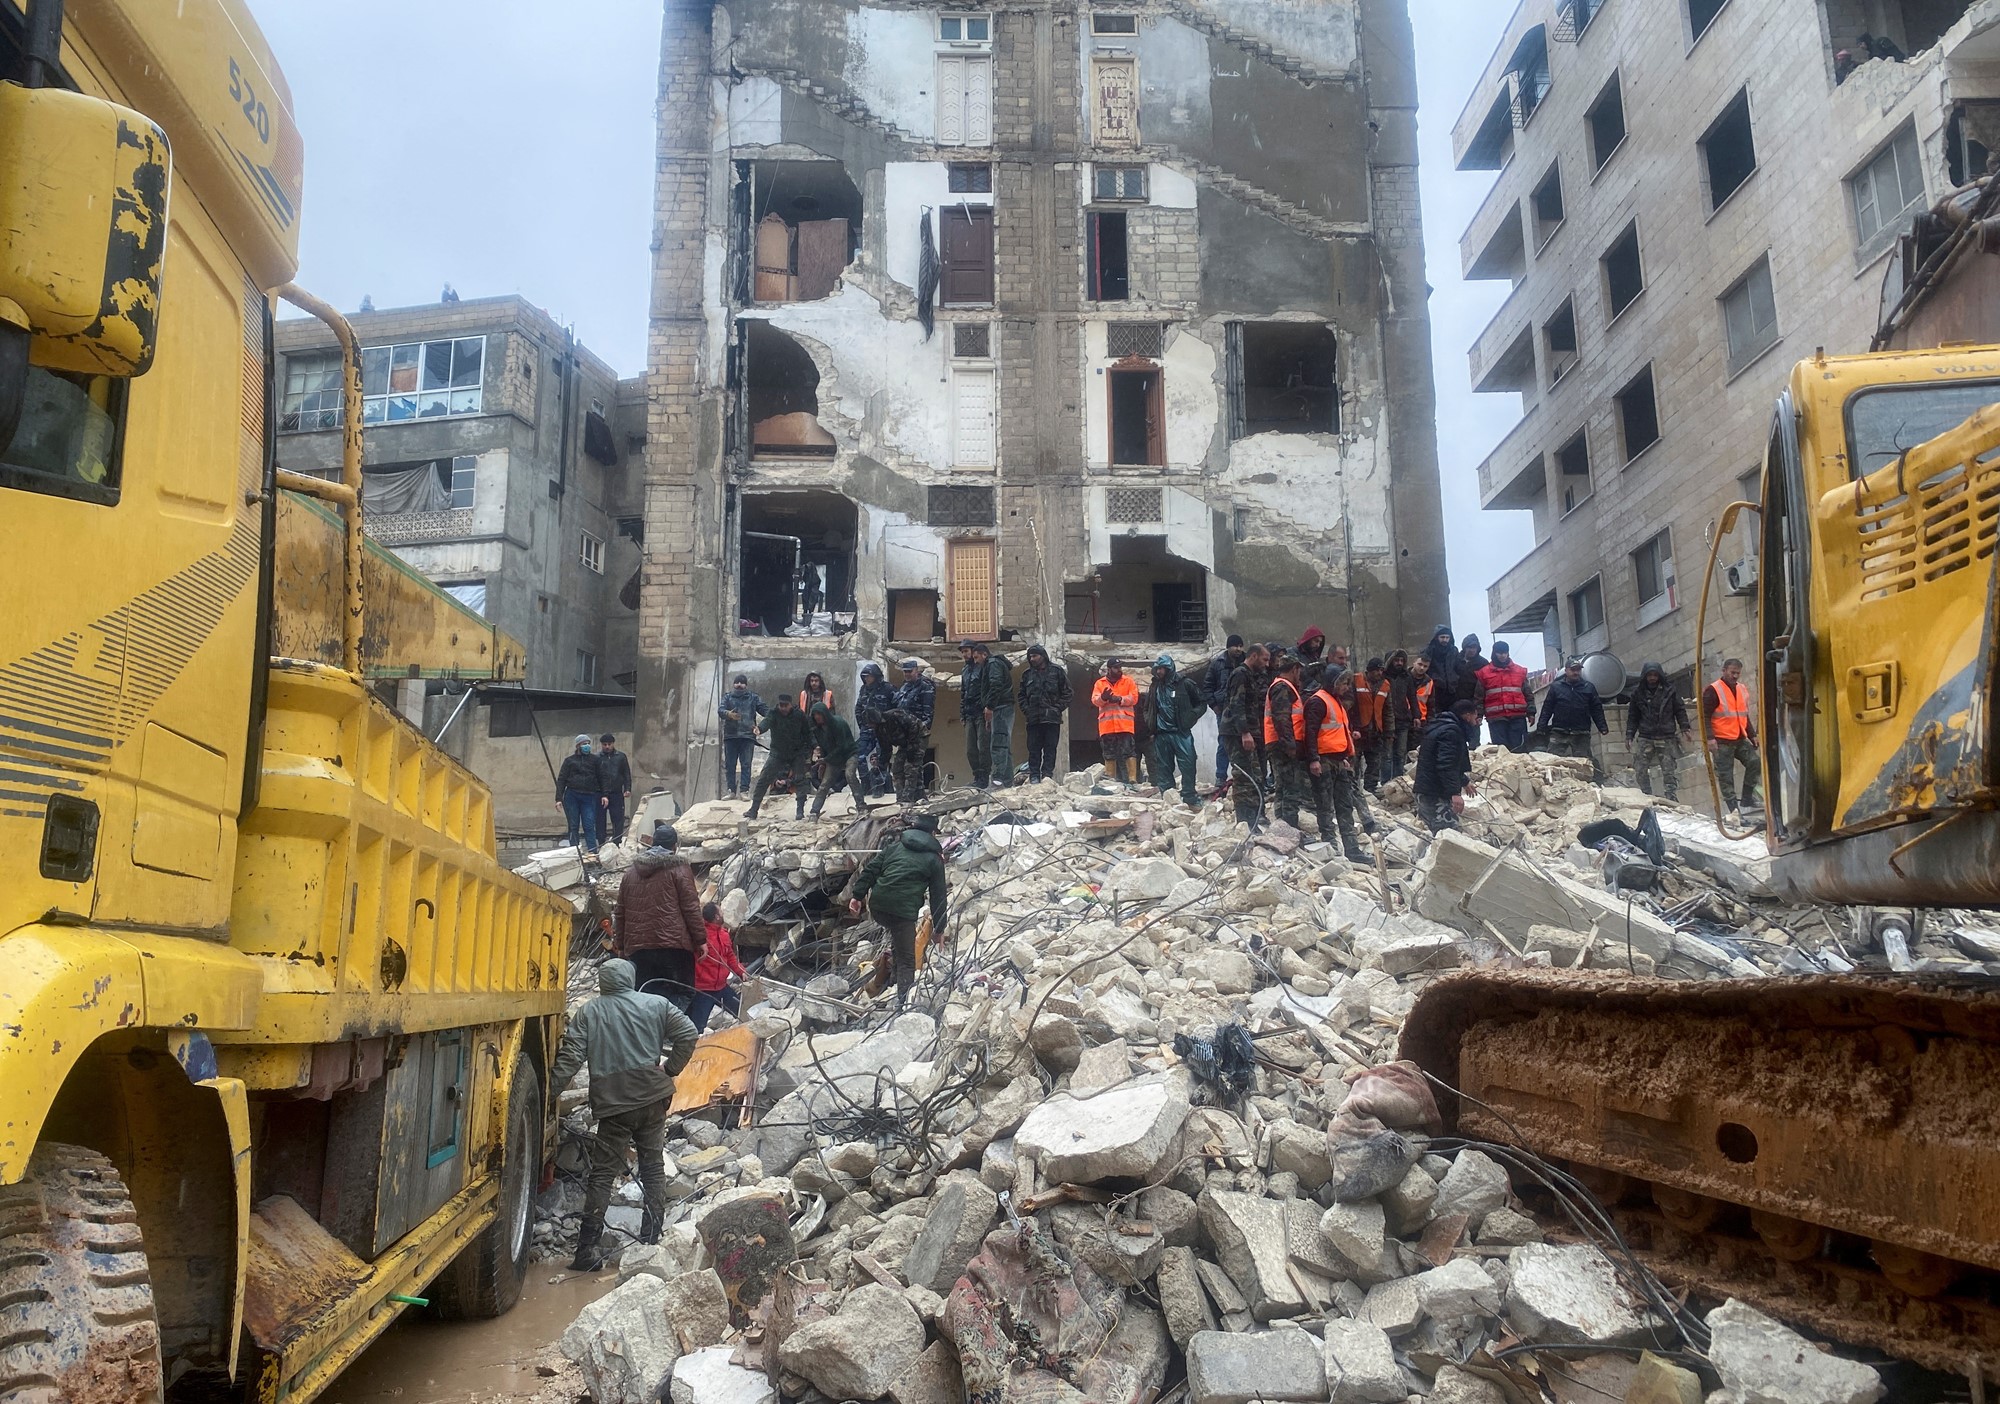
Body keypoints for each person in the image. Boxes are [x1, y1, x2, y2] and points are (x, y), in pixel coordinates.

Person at [551, 958, 699, 1271]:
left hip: (614, 1106)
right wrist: (670, 1069)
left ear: (603, 982)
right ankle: (651, 1241)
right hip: (652, 1098)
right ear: (630, 978)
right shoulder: (657, 1004)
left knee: (603, 1174)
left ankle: (586, 1252)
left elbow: (572, 1057)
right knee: (652, 1167)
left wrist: (547, 1092)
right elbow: (689, 1033)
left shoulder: (590, 1010)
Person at [849, 813, 948, 1008]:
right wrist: (939, 929)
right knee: (907, 960)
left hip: (878, 906)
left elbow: (870, 870)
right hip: (902, 912)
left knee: (897, 937)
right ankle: (904, 1005)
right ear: (932, 834)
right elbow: (938, 897)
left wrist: (857, 896)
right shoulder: (935, 860)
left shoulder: (893, 848)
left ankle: (893, 979)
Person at [613, 821, 706, 1010]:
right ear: (674, 846)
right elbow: (691, 907)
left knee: (645, 997)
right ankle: (670, 1035)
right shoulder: (679, 869)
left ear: (653, 843)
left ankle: (649, 1036)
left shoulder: (630, 874)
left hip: (639, 949)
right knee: (681, 993)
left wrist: (621, 945)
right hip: (674, 947)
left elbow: (620, 912)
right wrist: (701, 940)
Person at [1304, 671, 1370, 861]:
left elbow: (1339, 733)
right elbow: (1311, 732)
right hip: (1323, 761)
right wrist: (1313, 759)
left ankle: (1352, 849)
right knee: (1325, 806)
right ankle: (1330, 847)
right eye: (1343, 683)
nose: (1346, 687)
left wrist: (1345, 756)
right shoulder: (1319, 701)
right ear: (1333, 682)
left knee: (1344, 805)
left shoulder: (1335, 702)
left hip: (1338, 761)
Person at [1703, 657, 1761, 819]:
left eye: (1738, 673)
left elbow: (1743, 715)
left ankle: (1747, 799)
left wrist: (1752, 735)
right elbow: (1705, 716)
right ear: (1724, 671)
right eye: (1732, 672)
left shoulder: (1741, 689)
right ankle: (1734, 811)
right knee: (1725, 777)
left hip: (1739, 737)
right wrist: (1710, 738)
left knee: (1755, 763)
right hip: (1721, 741)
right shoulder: (1713, 690)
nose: (1735, 676)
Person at [1627, 661, 1693, 801]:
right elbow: (1633, 716)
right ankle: (1646, 795)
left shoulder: (1670, 691)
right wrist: (1629, 735)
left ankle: (1671, 797)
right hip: (1646, 736)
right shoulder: (1638, 694)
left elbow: (1679, 710)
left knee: (1669, 770)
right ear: (1644, 676)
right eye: (1649, 675)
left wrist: (1685, 727)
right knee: (1640, 769)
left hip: (1666, 735)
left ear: (1659, 675)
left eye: (1654, 675)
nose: (1652, 678)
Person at [1414, 699, 1481, 832]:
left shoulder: (1442, 727)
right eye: (1475, 717)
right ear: (1467, 716)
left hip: (1426, 790)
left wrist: (1464, 781)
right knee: (1448, 836)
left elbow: (1446, 762)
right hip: (1433, 793)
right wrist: (1455, 793)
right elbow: (1446, 765)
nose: (1476, 722)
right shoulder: (1451, 732)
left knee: (1436, 836)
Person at [1145, 654, 1204, 806]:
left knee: (1188, 764)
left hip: (1181, 732)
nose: (1158, 672)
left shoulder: (1185, 684)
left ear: (1169, 668)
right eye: (1157, 669)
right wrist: (1150, 723)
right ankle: (1168, 796)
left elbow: (1201, 703)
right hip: (1161, 734)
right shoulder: (1155, 686)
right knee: (1163, 766)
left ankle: (1189, 796)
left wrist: (1192, 716)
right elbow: (1147, 708)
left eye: (1161, 669)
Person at [1537, 657, 1609, 780]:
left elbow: (1596, 709)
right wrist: (1541, 726)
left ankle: (1592, 786)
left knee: (1584, 763)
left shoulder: (1588, 687)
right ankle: (1551, 784)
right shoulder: (1556, 687)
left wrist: (1602, 726)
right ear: (1566, 671)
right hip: (1559, 731)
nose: (1576, 672)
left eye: (1578, 670)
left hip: (1581, 732)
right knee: (1552, 761)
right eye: (1573, 670)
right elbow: (1547, 708)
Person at [1222, 642, 1271, 824]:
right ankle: (1244, 821)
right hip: (1237, 734)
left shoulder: (1250, 675)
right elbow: (1237, 704)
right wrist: (1244, 733)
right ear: (1254, 656)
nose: (1267, 664)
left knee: (1256, 775)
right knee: (1244, 776)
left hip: (1250, 732)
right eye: (1265, 659)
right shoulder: (1240, 674)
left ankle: (1256, 816)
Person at [1263, 652, 1312, 829]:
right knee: (1290, 787)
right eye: (1299, 671)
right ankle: (1289, 829)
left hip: (1278, 743)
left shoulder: (1281, 686)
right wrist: (1290, 745)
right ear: (1294, 669)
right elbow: (1282, 718)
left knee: (1283, 786)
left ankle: (1281, 828)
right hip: (1282, 745)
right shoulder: (1283, 687)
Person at [745, 692, 813, 819]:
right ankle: (753, 810)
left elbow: (808, 734)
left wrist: (810, 750)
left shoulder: (799, 715)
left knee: (800, 780)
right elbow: (766, 722)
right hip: (778, 753)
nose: (783, 708)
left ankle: (800, 811)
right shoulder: (774, 713)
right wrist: (759, 729)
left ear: (791, 705)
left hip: (796, 753)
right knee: (764, 779)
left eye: (785, 705)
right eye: (781, 705)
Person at [958, 640, 1013, 789]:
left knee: (988, 747)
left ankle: (991, 779)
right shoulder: (966, 670)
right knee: (971, 749)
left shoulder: (987, 666)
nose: (965, 655)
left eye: (967, 651)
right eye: (962, 652)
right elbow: (964, 693)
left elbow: (993, 686)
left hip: (985, 711)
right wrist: (963, 713)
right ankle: (979, 778)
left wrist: (988, 707)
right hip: (970, 713)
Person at [1019, 644, 1074, 784]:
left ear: (1042, 656)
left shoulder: (1056, 671)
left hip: (1051, 719)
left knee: (1050, 748)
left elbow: (1068, 693)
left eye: (1035, 656)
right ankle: (1034, 776)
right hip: (1033, 719)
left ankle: (1047, 775)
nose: (1032, 659)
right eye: (1030, 656)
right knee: (1033, 748)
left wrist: (1057, 709)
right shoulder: (1027, 675)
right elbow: (1021, 696)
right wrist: (1027, 710)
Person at [688, 902, 747, 1032]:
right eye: (721, 912)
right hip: (703, 990)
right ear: (717, 917)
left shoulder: (724, 934)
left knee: (742, 1012)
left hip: (721, 987)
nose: (723, 914)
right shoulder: (700, 937)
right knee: (697, 1028)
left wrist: (741, 971)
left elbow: (730, 956)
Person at [1202, 635, 1247, 793]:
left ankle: (1242, 776)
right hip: (1224, 709)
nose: (1239, 649)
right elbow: (1207, 686)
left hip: (1242, 709)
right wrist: (1214, 705)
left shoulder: (1246, 662)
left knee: (1243, 742)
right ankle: (1220, 777)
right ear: (1228, 647)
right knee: (1224, 743)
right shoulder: (1217, 664)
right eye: (1236, 646)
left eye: (1241, 646)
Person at [1474, 642, 1534, 754]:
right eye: (1499, 653)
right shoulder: (1484, 673)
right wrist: (1479, 715)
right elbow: (1479, 697)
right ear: (1494, 653)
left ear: (1508, 653)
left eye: (1505, 653)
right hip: (1496, 718)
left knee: (1519, 750)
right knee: (1501, 751)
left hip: (1517, 717)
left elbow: (1528, 693)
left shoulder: (1519, 671)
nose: (1502, 656)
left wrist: (1531, 712)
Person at [1091, 658, 1142, 784]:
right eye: (1116, 668)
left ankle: (1132, 780)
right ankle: (1111, 780)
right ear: (1108, 669)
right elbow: (1095, 700)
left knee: (1129, 751)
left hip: (1125, 725)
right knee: (1109, 753)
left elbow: (1134, 698)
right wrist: (1103, 698)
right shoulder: (1100, 683)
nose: (1119, 670)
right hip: (1107, 726)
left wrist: (1119, 699)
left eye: (1120, 667)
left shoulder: (1128, 681)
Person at [892, 658, 936, 801]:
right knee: (897, 768)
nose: (907, 674)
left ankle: (907, 801)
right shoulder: (904, 687)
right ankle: (913, 798)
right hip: (904, 735)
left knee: (911, 768)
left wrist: (918, 732)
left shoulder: (925, 687)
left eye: (910, 671)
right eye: (905, 672)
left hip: (918, 733)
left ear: (916, 671)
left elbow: (928, 715)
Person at [806, 701, 859, 818]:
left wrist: (826, 760)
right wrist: (823, 762)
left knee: (850, 775)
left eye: (819, 714)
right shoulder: (817, 729)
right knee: (824, 784)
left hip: (848, 754)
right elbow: (824, 746)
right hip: (834, 758)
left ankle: (861, 806)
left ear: (825, 714)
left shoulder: (838, 723)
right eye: (815, 715)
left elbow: (842, 746)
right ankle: (814, 811)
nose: (817, 717)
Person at [718, 676, 765, 800]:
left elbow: (765, 711)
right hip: (730, 736)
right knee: (730, 765)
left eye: (742, 683)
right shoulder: (727, 697)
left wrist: (764, 724)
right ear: (733, 684)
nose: (739, 685)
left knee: (746, 764)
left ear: (746, 685)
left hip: (747, 736)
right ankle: (731, 791)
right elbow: (720, 710)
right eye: (737, 682)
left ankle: (744, 790)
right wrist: (728, 714)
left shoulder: (753, 697)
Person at [556, 735, 605, 852]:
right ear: (578, 746)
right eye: (584, 744)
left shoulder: (595, 760)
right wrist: (558, 798)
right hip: (572, 796)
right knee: (573, 826)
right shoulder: (569, 761)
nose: (586, 746)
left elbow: (602, 778)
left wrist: (604, 794)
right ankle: (574, 852)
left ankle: (593, 852)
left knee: (589, 826)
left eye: (588, 743)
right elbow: (561, 780)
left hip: (589, 796)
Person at [854, 663, 897, 797]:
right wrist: (862, 725)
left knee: (881, 758)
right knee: (858, 756)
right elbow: (858, 708)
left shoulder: (888, 689)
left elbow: (897, 708)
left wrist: (889, 726)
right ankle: (866, 784)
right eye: (865, 677)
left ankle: (880, 787)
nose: (867, 679)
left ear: (876, 676)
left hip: (883, 730)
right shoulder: (863, 689)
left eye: (869, 676)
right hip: (867, 730)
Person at [1353, 657, 1391, 789]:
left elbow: (1388, 710)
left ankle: (1370, 788)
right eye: (1377, 670)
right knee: (1354, 763)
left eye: (1381, 670)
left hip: (1376, 731)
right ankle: (1353, 789)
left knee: (1374, 763)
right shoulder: (1356, 680)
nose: (1379, 673)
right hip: (1359, 730)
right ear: (1369, 670)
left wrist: (1389, 731)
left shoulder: (1385, 685)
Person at [597, 734, 633, 844]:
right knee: (600, 820)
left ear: (613, 744)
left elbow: (626, 774)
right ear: (601, 745)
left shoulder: (620, 757)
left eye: (609, 744)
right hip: (601, 794)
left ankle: (617, 842)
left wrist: (627, 788)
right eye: (605, 745)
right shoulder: (597, 758)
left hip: (616, 793)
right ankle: (601, 842)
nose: (607, 747)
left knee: (618, 819)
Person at [1383, 650, 1414, 779]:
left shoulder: (1406, 677)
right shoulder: (1383, 677)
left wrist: (1416, 715)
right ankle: (1385, 782)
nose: (1399, 663)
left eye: (1402, 660)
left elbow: (1412, 697)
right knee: (1387, 755)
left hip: (1403, 719)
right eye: (1396, 660)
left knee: (1400, 753)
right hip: (1386, 721)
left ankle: (1398, 780)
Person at [1421, 625, 1466, 701]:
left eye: (1447, 637)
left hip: (1452, 690)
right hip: (1435, 689)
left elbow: (1459, 668)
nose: (1445, 640)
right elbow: (1425, 668)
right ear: (1437, 637)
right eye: (1442, 637)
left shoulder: (1453, 650)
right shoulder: (1429, 650)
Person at [1296, 626, 1328, 692]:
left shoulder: (1315, 658)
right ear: (1308, 640)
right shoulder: (1294, 653)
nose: (1318, 645)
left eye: (1320, 643)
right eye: (1316, 641)